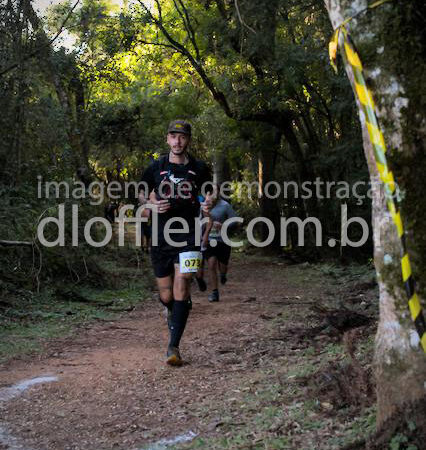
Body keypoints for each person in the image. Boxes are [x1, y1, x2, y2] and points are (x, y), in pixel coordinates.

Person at [141, 120, 212, 366]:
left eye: (182, 137)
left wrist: (207, 202)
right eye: (173, 136)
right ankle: (173, 308)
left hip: (189, 233)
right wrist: (150, 204)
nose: (177, 141)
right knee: (166, 294)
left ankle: (174, 346)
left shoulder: (200, 168)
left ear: (188, 140)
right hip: (161, 235)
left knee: (183, 281)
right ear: (167, 139)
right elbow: (141, 192)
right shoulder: (156, 167)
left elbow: (210, 192)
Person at [196, 184, 237, 302]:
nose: (213, 193)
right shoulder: (202, 205)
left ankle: (223, 275)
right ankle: (215, 293)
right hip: (208, 240)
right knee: (212, 264)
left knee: (222, 266)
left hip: (222, 240)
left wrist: (224, 225)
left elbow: (235, 221)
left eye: (215, 191)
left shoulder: (225, 206)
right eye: (210, 191)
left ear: (219, 192)